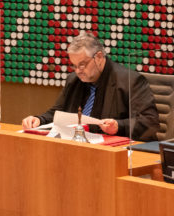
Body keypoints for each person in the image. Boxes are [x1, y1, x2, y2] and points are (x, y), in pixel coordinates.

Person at [21, 31, 159, 141]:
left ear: (98, 57)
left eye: (82, 64)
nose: (77, 71)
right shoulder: (74, 80)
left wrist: (119, 126)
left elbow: (150, 123)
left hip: (114, 151)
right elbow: (58, 113)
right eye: (74, 66)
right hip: (79, 145)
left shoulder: (130, 81)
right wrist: (39, 120)